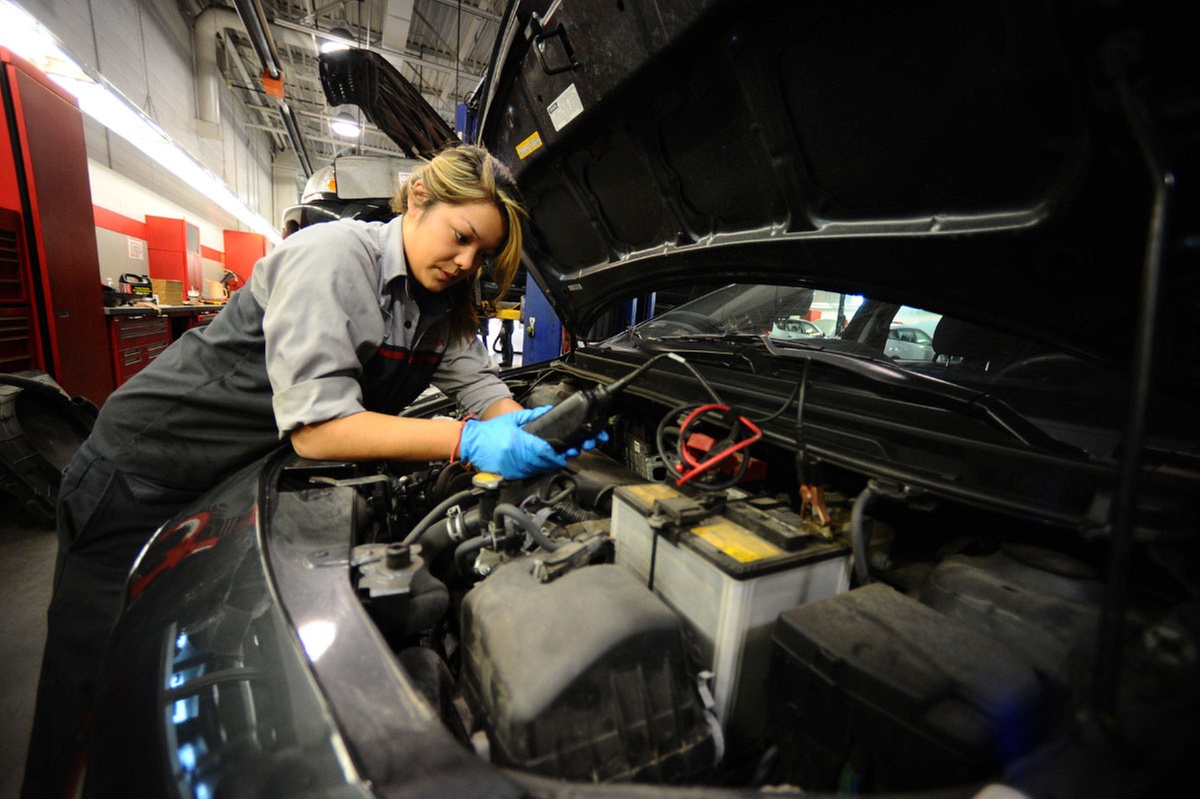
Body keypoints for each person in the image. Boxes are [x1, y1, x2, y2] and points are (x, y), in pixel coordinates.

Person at [22, 144, 595, 798]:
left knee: (141, 678)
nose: (467, 262)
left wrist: (524, 430)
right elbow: (319, 429)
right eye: (461, 237)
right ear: (418, 200)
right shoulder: (333, 260)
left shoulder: (442, 302)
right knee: (87, 696)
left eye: (482, 254)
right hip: (139, 473)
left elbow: (481, 388)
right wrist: (466, 441)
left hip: (221, 482)